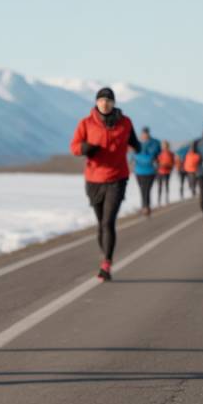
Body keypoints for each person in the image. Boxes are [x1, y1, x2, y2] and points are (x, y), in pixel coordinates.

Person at [70, 87, 141, 282]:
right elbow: (74, 147)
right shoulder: (86, 123)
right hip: (94, 179)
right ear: (96, 102)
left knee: (108, 221)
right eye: (101, 100)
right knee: (101, 223)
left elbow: (134, 142)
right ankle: (105, 255)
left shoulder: (125, 122)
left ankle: (106, 263)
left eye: (109, 100)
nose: (105, 103)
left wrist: (138, 147)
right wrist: (85, 148)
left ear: (114, 103)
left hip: (117, 178)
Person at [131, 127, 160, 216]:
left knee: (147, 189)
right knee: (142, 189)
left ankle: (146, 207)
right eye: (143, 133)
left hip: (150, 171)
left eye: (146, 133)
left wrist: (139, 157)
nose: (144, 135)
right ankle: (145, 206)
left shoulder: (154, 143)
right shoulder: (137, 143)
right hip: (139, 171)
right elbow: (132, 156)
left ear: (148, 133)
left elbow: (153, 156)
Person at [156, 140, 176, 206]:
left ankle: (167, 198)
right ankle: (159, 200)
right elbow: (157, 161)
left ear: (167, 146)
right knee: (160, 186)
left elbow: (173, 162)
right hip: (160, 171)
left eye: (165, 145)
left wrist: (169, 166)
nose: (164, 146)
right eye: (163, 145)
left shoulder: (171, 153)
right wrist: (159, 165)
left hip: (167, 171)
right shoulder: (160, 153)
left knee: (167, 185)